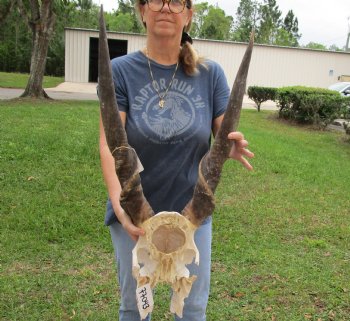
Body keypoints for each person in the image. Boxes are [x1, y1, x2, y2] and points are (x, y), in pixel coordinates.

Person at [99, 0, 254, 320]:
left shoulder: (210, 74)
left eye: (177, 1)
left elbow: (224, 131)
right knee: (134, 308)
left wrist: (230, 144)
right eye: (156, 0)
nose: (166, 8)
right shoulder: (121, 71)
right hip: (134, 213)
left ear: (188, 14)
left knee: (192, 309)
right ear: (142, 11)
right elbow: (110, 145)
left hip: (192, 216)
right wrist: (120, 208)